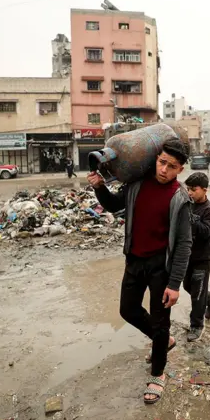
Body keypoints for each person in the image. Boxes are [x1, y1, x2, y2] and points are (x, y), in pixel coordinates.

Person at [86, 138, 192, 405]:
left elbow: (183, 244)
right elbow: (112, 205)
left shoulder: (180, 198)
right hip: (134, 260)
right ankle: (163, 340)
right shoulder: (137, 184)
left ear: (180, 170)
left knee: (160, 321)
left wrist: (175, 284)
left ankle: (158, 374)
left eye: (172, 166)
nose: (164, 169)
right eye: (162, 162)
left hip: (161, 268)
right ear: (156, 159)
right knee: (128, 310)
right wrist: (99, 188)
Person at [183, 172, 210, 342]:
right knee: (187, 286)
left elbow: (207, 232)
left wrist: (192, 220)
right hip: (188, 255)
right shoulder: (188, 204)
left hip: (203, 257)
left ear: (204, 190)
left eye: (193, 189)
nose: (190, 193)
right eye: (188, 189)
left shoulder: (209, 209)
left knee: (197, 293)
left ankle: (197, 325)